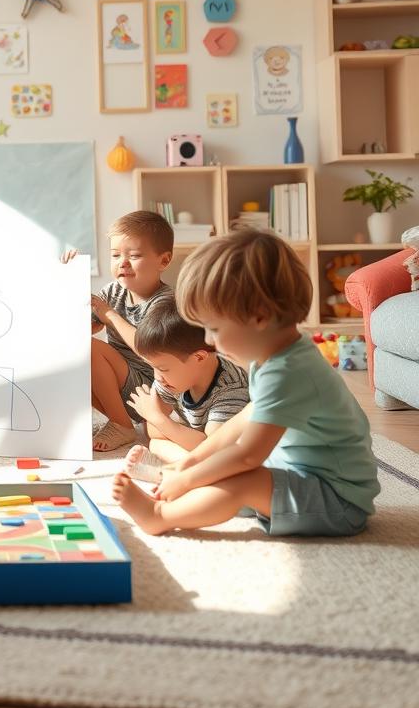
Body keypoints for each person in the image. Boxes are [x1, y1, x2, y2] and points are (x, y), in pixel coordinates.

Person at [112, 229, 379, 537]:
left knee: (241, 478)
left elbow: (248, 454)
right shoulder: (274, 357)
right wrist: (190, 465)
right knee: (221, 471)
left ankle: (160, 515)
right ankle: (180, 484)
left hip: (337, 501)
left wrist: (187, 479)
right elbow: (240, 423)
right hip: (299, 475)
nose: (209, 341)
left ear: (259, 317)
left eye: (213, 328)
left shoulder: (289, 372)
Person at [64, 211, 174, 452]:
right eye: (115, 255)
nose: (122, 262)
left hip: (152, 391)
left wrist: (110, 315)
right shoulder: (113, 292)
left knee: (91, 349)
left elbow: (150, 349)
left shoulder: (165, 301)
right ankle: (116, 419)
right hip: (121, 387)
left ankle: (121, 425)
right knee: (74, 351)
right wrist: (68, 281)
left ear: (163, 261)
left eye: (134, 256)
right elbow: (79, 331)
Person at [121, 293, 249, 483]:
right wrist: (159, 421)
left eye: (162, 368)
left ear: (198, 357)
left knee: (217, 464)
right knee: (157, 443)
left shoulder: (230, 389)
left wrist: (154, 415)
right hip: (200, 448)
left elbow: (212, 447)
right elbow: (154, 433)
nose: (157, 377)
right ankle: (182, 473)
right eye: (153, 367)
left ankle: (173, 475)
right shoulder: (172, 377)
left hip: (231, 451)